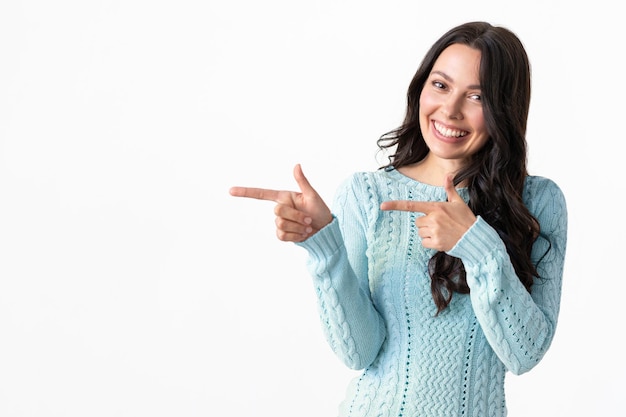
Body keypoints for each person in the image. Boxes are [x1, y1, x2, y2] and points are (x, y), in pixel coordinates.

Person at [229, 21, 567, 417]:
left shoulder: (538, 202)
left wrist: (476, 243)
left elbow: (524, 354)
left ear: (504, 108)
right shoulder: (367, 195)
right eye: (440, 85)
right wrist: (326, 249)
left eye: (476, 96)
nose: (450, 110)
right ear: (421, 87)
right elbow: (359, 352)